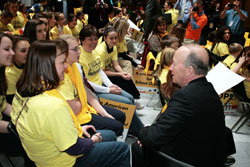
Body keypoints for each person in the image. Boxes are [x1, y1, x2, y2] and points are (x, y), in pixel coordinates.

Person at [11, 39, 130, 167]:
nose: (66, 66)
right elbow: (75, 148)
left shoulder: (21, 93)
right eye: (62, 62)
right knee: (122, 149)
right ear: (47, 66)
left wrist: (77, 129)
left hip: (43, 154)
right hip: (63, 161)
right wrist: (93, 140)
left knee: (110, 135)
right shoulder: (53, 106)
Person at [132, 44, 226, 167]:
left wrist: (143, 133)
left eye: (174, 64)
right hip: (208, 153)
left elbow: (152, 137)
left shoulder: (185, 97)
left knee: (138, 147)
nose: (171, 68)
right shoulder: (208, 89)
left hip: (190, 160)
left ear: (189, 70)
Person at [79, 24, 144, 134]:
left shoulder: (94, 52)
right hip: (93, 91)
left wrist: (110, 85)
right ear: (82, 40)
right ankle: (140, 131)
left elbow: (100, 71)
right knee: (127, 102)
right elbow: (86, 83)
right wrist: (108, 90)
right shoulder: (80, 56)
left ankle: (132, 128)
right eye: (90, 39)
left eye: (95, 39)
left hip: (102, 86)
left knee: (130, 97)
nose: (94, 42)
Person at [57, 35, 125, 136]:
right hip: (79, 117)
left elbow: (86, 94)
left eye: (78, 48)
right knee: (117, 127)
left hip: (86, 108)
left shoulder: (76, 66)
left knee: (120, 115)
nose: (79, 52)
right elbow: (75, 109)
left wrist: (103, 113)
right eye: (75, 49)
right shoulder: (62, 74)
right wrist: (82, 98)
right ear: (64, 52)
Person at [0, 32, 22, 155]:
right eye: (6, 49)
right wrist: (16, 126)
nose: (12, 53)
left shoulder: (1, 73)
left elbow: (2, 105)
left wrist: (22, 117)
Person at [5, 35, 30, 104]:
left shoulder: (30, 65)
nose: (28, 54)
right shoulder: (9, 73)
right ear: (13, 52)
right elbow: (11, 101)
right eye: (23, 51)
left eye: (29, 50)